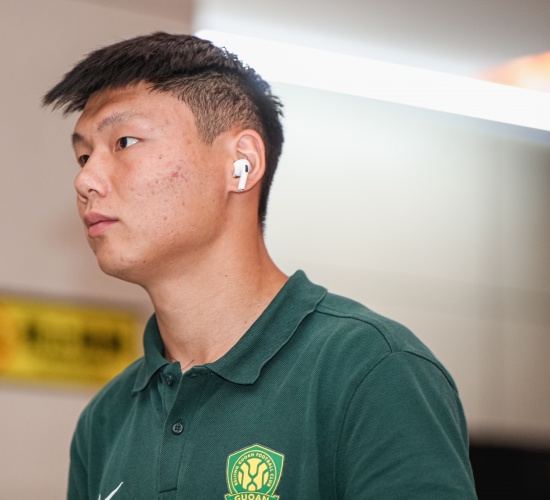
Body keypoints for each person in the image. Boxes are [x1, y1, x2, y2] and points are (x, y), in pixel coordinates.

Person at [44, 32, 476, 500]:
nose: (85, 179)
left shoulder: (372, 370)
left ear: (242, 164)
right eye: (83, 156)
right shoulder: (105, 421)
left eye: (124, 142)